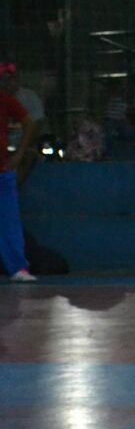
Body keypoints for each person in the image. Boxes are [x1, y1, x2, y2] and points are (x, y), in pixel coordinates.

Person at [0, 60, 38, 282]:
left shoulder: (7, 101)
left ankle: (18, 267)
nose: (9, 83)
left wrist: (19, 154)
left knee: (9, 219)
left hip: (3, 169)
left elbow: (30, 124)